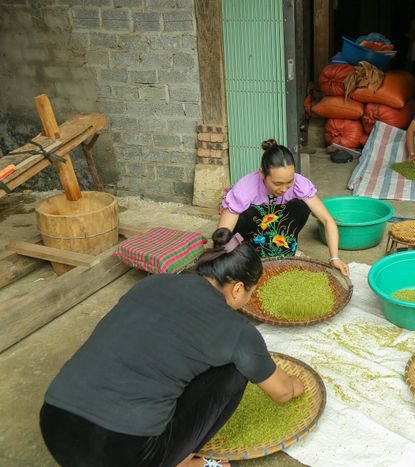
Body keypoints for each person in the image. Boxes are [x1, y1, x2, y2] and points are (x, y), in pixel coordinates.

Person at [40, 229, 307, 467]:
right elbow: (281, 393)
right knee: (235, 370)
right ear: (238, 289)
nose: (249, 299)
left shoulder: (151, 283)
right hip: (122, 453)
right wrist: (297, 385)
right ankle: (181, 461)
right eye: (251, 292)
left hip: (56, 427)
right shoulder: (237, 331)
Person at [218, 139, 349, 276]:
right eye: (277, 183)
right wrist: (222, 260)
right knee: (244, 214)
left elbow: (327, 220)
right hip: (252, 229)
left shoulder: (299, 184)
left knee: (302, 205)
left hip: (278, 225)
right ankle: (249, 250)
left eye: (289, 182)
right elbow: (223, 231)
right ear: (262, 174)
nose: (284, 189)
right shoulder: (246, 188)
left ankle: (284, 248)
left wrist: (335, 258)